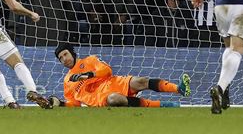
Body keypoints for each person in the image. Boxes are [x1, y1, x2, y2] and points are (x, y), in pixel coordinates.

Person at [49, 44, 191, 108]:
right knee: (114, 99)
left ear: (72, 53)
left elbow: (107, 71)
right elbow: (74, 104)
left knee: (141, 81)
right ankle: (162, 105)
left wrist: (88, 75)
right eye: (60, 58)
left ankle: (179, 88)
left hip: (115, 83)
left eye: (65, 54)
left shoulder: (90, 60)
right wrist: (60, 104)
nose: (64, 59)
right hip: (102, 99)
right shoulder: (67, 81)